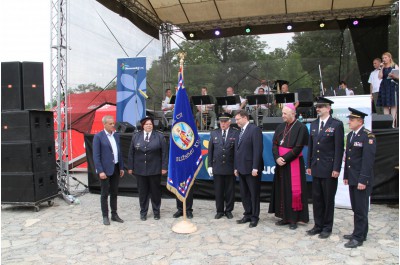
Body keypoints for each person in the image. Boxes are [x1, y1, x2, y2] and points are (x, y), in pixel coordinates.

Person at [306, 97, 344, 239]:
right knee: (317, 198)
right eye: (317, 106)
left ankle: (327, 227)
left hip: (329, 168)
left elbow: (339, 149)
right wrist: (309, 164)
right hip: (316, 167)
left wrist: (336, 168)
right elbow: (311, 147)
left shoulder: (336, 125)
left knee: (328, 199)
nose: (318, 109)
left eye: (321, 106)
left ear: (328, 108)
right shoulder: (314, 124)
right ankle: (318, 225)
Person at [268, 103, 309, 230]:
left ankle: (293, 219)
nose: (283, 116)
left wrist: (284, 159)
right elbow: (274, 144)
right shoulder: (280, 127)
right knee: (282, 189)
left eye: (285, 113)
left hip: (293, 162)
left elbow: (298, 148)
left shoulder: (301, 127)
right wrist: (277, 158)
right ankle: (284, 217)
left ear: (293, 113)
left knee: (292, 191)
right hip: (281, 164)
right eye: (282, 113)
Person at [343, 108, 376, 248]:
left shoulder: (368, 136)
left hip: (361, 179)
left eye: (352, 119)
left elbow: (367, 161)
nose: (349, 122)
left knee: (361, 209)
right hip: (352, 178)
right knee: (356, 208)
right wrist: (345, 175)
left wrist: (363, 180)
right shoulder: (351, 135)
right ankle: (361, 232)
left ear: (360, 121)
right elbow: (349, 158)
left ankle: (358, 238)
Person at [127, 117, 168, 221]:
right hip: (140, 169)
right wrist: (130, 167)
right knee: (142, 192)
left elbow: (164, 153)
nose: (149, 126)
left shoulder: (159, 136)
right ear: (143, 126)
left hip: (155, 169)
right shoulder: (136, 136)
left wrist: (164, 167)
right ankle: (143, 212)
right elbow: (131, 153)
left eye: (150, 124)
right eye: (146, 124)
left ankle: (156, 211)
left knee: (155, 192)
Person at [92, 115, 125, 225]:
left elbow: (119, 152)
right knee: (104, 193)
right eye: (110, 124)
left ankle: (114, 214)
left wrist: (121, 167)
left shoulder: (116, 136)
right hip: (105, 170)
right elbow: (96, 156)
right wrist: (100, 170)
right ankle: (105, 216)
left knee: (114, 192)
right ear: (104, 124)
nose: (113, 125)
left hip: (115, 168)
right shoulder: (98, 137)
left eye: (113, 123)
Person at [234, 110, 263, 228]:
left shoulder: (254, 130)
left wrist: (255, 167)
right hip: (241, 168)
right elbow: (237, 151)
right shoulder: (239, 132)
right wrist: (235, 167)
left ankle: (255, 217)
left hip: (252, 168)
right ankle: (247, 214)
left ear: (245, 117)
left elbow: (258, 150)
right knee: (244, 193)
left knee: (253, 193)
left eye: (238, 119)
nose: (236, 122)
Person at [208, 113, 239, 219]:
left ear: (229, 122)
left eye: (225, 122)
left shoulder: (235, 133)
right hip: (217, 166)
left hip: (230, 167)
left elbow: (236, 152)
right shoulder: (214, 133)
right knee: (218, 190)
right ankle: (220, 211)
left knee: (230, 191)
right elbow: (210, 151)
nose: (223, 124)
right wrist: (210, 166)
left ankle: (229, 210)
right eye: (221, 122)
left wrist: (236, 167)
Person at [377, 52, 399, 127]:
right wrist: (381, 68)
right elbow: (380, 77)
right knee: (385, 105)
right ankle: (387, 124)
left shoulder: (394, 65)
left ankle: (392, 124)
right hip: (384, 86)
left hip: (393, 86)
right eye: (383, 58)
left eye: (385, 57)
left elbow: (399, 77)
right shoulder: (382, 67)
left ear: (390, 58)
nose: (384, 59)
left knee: (393, 105)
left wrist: (393, 76)